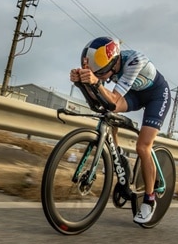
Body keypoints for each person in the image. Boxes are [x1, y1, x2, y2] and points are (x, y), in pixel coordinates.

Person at [69, 36, 171, 224]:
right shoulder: (108, 64)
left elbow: (113, 97)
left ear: (113, 63)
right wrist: (81, 83)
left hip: (156, 95)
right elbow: (98, 103)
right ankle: (119, 153)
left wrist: (95, 83)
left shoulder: (134, 61)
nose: (99, 75)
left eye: (100, 72)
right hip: (134, 94)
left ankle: (149, 199)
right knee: (108, 111)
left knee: (143, 147)